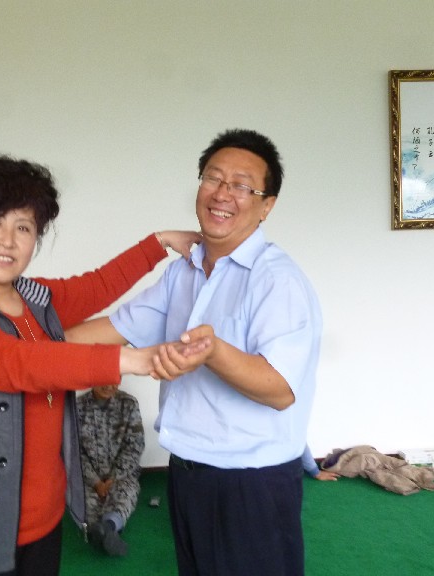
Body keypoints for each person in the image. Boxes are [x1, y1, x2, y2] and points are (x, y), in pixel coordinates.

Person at [0, 155, 206, 576]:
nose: (7, 240)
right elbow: (14, 362)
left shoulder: (35, 299)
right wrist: (135, 359)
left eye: (23, 227)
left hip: (43, 521)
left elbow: (96, 286)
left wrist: (160, 242)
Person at [67, 129, 323, 576]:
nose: (222, 193)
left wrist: (214, 351)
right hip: (187, 472)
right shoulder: (183, 272)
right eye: (213, 178)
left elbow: (281, 389)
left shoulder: (276, 280)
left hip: (250, 483)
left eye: (241, 185)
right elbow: (111, 330)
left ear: (267, 205)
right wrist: (20, 343)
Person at [76, 384, 144, 557]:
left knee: (125, 496)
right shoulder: (78, 407)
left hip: (122, 475)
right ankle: (101, 530)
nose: (108, 386)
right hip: (88, 478)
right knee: (85, 503)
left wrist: (113, 478)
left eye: (113, 380)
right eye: (102, 380)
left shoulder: (128, 404)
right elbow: (74, 452)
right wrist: (95, 482)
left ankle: (108, 527)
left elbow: (135, 446)